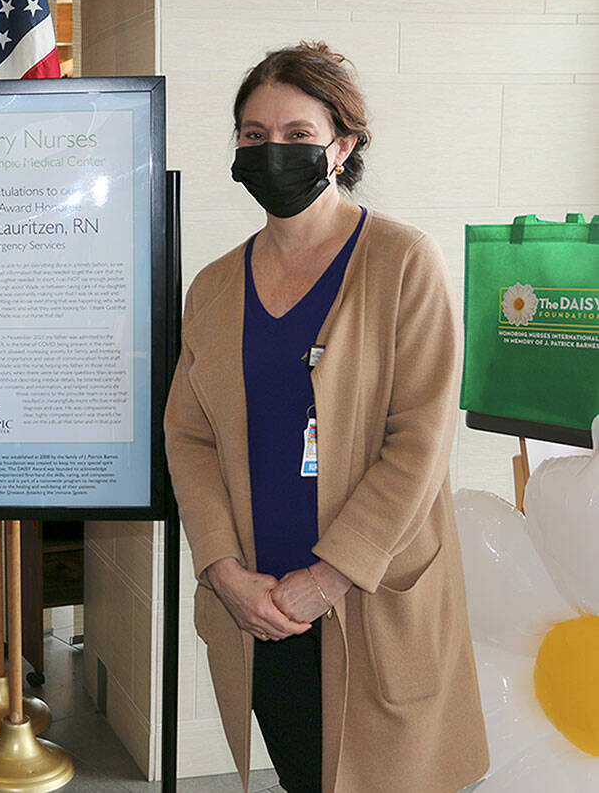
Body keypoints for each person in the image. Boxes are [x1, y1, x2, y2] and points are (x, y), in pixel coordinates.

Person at [164, 42, 488, 792]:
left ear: (342, 146)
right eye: (254, 137)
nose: (272, 152)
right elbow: (190, 437)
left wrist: (329, 577)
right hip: (259, 604)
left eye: (298, 137)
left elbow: (420, 441)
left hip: (368, 600)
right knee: (305, 776)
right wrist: (223, 570)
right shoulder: (214, 286)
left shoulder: (404, 261)